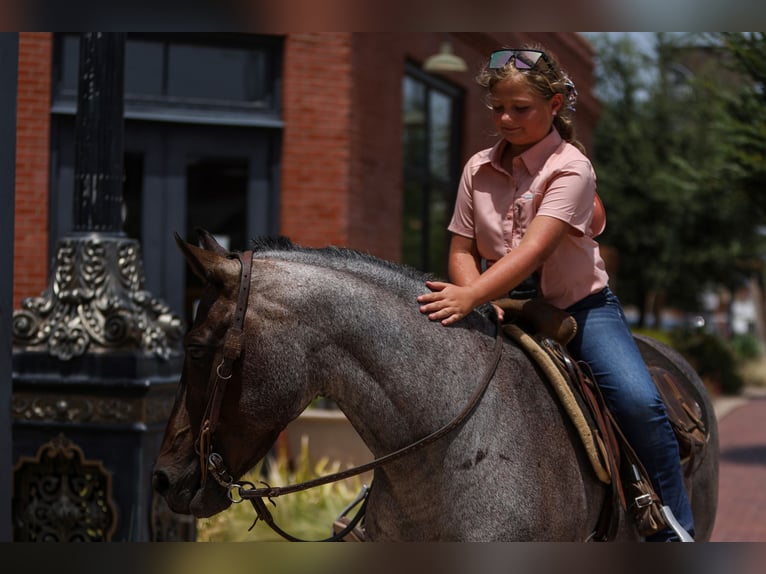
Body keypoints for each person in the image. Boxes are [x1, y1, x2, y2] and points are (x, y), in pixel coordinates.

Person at [416, 46, 694, 541]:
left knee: (636, 402)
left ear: (557, 104)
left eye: (520, 108)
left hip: (580, 310)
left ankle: (671, 529)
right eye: (497, 107)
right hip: (495, 304)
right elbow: (461, 247)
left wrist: (470, 298)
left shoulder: (572, 168)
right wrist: (471, 292)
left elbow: (534, 251)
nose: (505, 118)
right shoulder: (477, 167)